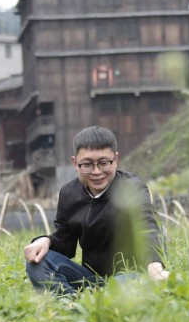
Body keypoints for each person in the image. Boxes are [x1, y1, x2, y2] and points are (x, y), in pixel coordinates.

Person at [23, 126, 169, 296]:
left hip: (130, 275)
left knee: (120, 286)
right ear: (75, 163)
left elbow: (146, 228)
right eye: (87, 165)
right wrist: (46, 241)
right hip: (90, 278)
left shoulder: (132, 187)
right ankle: (69, 305)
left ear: (115, 160)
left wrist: (155, 268)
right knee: (38, 263)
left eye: (104, 163)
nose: (97, 172)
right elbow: (65, 242)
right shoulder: (68, 193)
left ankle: (97, 303)